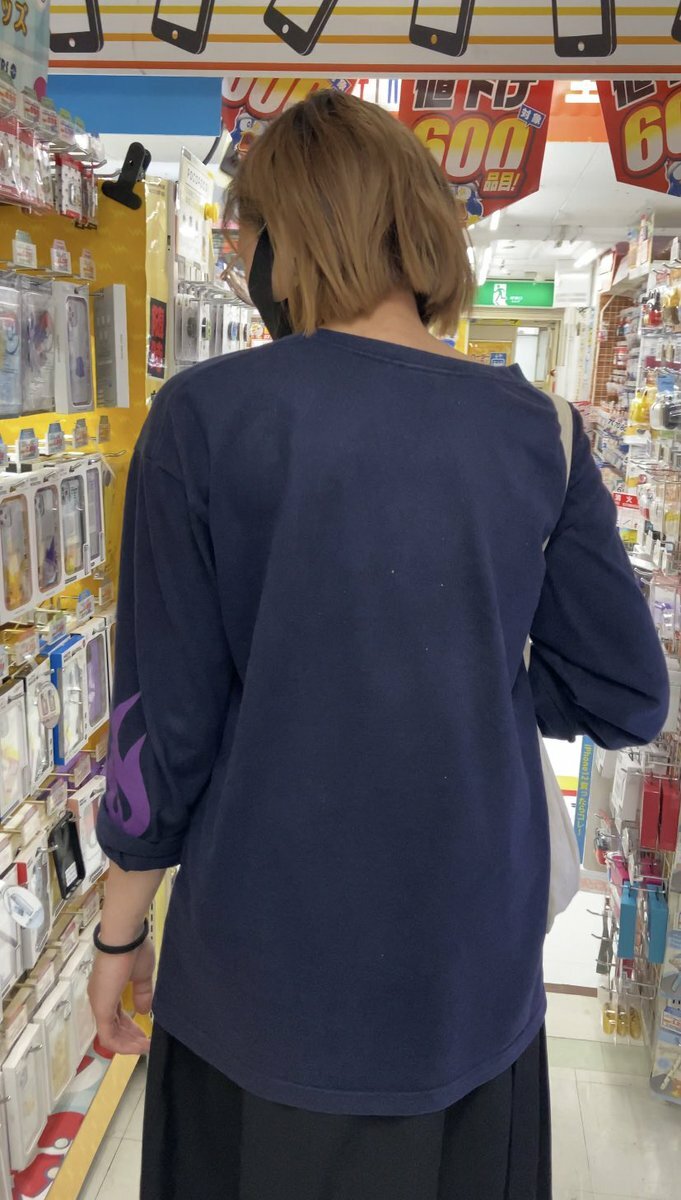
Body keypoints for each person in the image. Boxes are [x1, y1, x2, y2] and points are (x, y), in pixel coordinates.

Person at [89, 90, 669, 1200]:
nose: (240, 259)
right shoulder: (541, 431)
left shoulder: (204, 421)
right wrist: (473, 668)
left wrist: (120, 937)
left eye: (244, 234)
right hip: (472, 972)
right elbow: (628, 693)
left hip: (266, 972)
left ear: (290, 236)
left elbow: (164, 724)